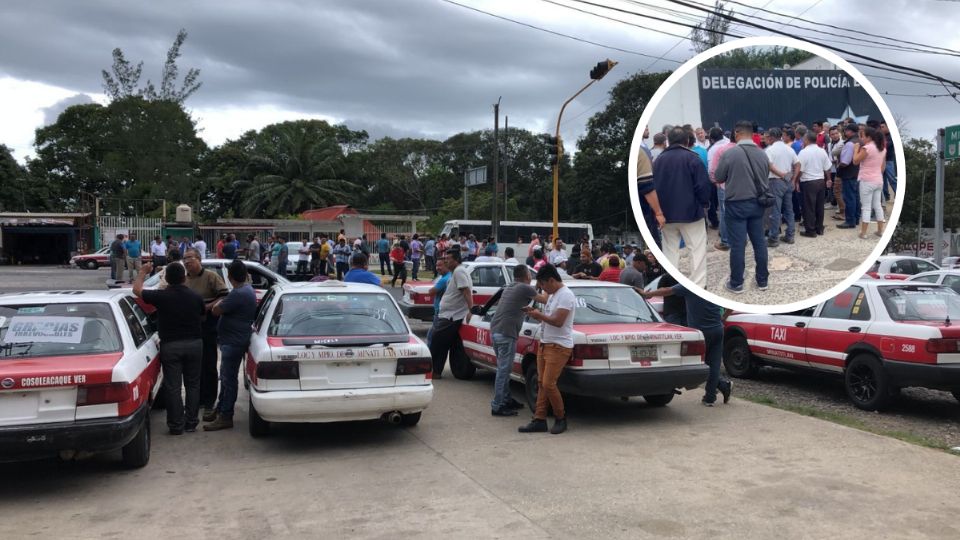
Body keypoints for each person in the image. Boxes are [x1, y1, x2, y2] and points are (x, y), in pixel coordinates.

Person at [133, 261, 204, 435]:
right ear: (184, 277)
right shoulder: (196, 297)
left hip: (170, 346)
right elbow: (202, 316)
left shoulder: (161, 296)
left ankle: (176, 425)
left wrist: (142, 272)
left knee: (173, 386)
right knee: (193, 384)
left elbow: (136, 290)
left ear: (167, 279)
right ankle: (191, 422)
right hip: (195, 344)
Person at [641, 283, 731, 407]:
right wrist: (723, 318)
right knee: (714, 365)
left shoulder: (691, 285)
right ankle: (711, 397)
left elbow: (667, 290)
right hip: (717, 329)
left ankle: (718, 390)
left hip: (700, 333)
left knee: (700, 364)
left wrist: (647, 294)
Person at [714, 120, 770, 294]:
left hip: (736, 204)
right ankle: (762, 281)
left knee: (738, 245)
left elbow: (719, 177)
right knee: (759, 243)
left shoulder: (730, 154)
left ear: (737, 133)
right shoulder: (763, 154)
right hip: (758, 204)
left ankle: (736, 283)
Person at [518, 264, 575, 435]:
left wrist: (538, 315)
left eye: (543, 285)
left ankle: (560, 418)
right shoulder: (553, 294)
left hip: (558, 346)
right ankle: (539, 419)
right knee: (542, 383)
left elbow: (558, 321)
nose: (542, 289)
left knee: (549, 384)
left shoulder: (566, 295)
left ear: (551, 280)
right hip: (545, 343)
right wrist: (536, 312)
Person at [653, 127, 711, 288]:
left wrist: (657, 212)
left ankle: (672, 284)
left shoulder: (658, 161)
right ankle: (698, 285)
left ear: (668, 141)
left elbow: (653, 188)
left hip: (666, 214)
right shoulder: (693, 158)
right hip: (691, 213)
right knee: (696, 249)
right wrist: (704, 203)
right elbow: (702, 186)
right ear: (687, 141)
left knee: (670, 251)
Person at [203, 260, 258, 431]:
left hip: (233, 342)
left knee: (228, 379)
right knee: (225, 377)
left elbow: (216, 311)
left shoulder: (238, 293)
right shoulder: (246, 289)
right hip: (234, 339)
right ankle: (221, 408)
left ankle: (226, 415)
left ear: (229, 276)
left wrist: (218, 303)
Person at [183, 248, 229, 420]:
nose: (187, 262)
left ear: (199, 259)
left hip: (208, 327)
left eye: (190, 258)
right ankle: (198, 400)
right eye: (185, 259)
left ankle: (209, 402)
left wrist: (207, 308)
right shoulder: (184, 279)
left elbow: (224, 296)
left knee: (209, 365)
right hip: (190, 329)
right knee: (194, 368)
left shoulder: (210, 276)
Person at [489, 265, 538, 417]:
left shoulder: (510, 286)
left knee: (503, 369)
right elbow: (544, 299)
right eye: (530, 274)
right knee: (504, 371)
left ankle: (506, 399)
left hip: (496, 331)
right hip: (506, 334)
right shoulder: (525, 288)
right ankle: (497, 406)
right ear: (526, 276)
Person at [429, 248, 473, 379]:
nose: (446, 261)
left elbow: (466, 291)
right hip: (447, 315)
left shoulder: (459, 272)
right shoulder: (455, 272)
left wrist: (471, 310)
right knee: (442, 345)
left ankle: (432, 371)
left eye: (448, 259)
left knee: (436, 343)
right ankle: (435, 372)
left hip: (451, 317)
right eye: (445, 259)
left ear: (456, 260)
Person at [764, 127, 800, 247]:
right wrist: (793, 179)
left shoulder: (770, 150)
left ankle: (773, 238)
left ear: (772, 137)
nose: (767, 139)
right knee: (789, 210)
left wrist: (780, 174)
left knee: (775, 211)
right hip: (788, 181)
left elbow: (768, 165)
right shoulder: (788, 148)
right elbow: (798, 164)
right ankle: (790, 235)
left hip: (775, 181)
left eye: (768, 136)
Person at [797, 131, 833, 238]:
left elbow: (801, 170)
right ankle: (819, 228)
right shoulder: (822, 151)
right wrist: (829, 179)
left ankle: (810, 230)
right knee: (819, 206)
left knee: (808, 207)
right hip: (820, 181)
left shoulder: (803, 152)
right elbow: (827, 167)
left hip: (808, 182)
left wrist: (796, 181)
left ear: (806, 140)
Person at [855, 126, 887, 239]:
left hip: (867, 180)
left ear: (868, 137)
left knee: (866, 207)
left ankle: (863, 233)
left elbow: (855, 161)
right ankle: (880, 230)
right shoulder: (882, 148)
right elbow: (883, 167)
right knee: (877, 205)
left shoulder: (867, 148)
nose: (861, 138)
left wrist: (856, 149)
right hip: (878, 180)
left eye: (863, 136)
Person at [837, 123, 862, 230]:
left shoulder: (850, 144)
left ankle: (850, 221)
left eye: (846, 130)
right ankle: (856, 219)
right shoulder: (860, 141)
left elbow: (845, 162)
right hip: (857, 173)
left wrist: (839, 165)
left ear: (850, 131)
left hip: (849, 173)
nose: (844, 132)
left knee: (849, 198)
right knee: (856, 197)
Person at [425, 258, 451, 347]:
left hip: (440, 312)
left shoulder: (444, 279)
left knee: (431, 337)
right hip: (444, 311)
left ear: (447, 265)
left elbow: (431, 292)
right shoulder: (447, 276)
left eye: (440, 265)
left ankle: (430, 356)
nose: (437, 267)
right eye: (436, 265)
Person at [879, 120, 897, 202]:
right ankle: (886, 196)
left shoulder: (892, 136)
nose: (881, 128)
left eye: (883, 127)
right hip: (881, 160)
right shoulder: (882, 136)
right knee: (882, 180)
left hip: (889, 160)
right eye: (880, 127)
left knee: (892, 179)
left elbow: (885, 146)